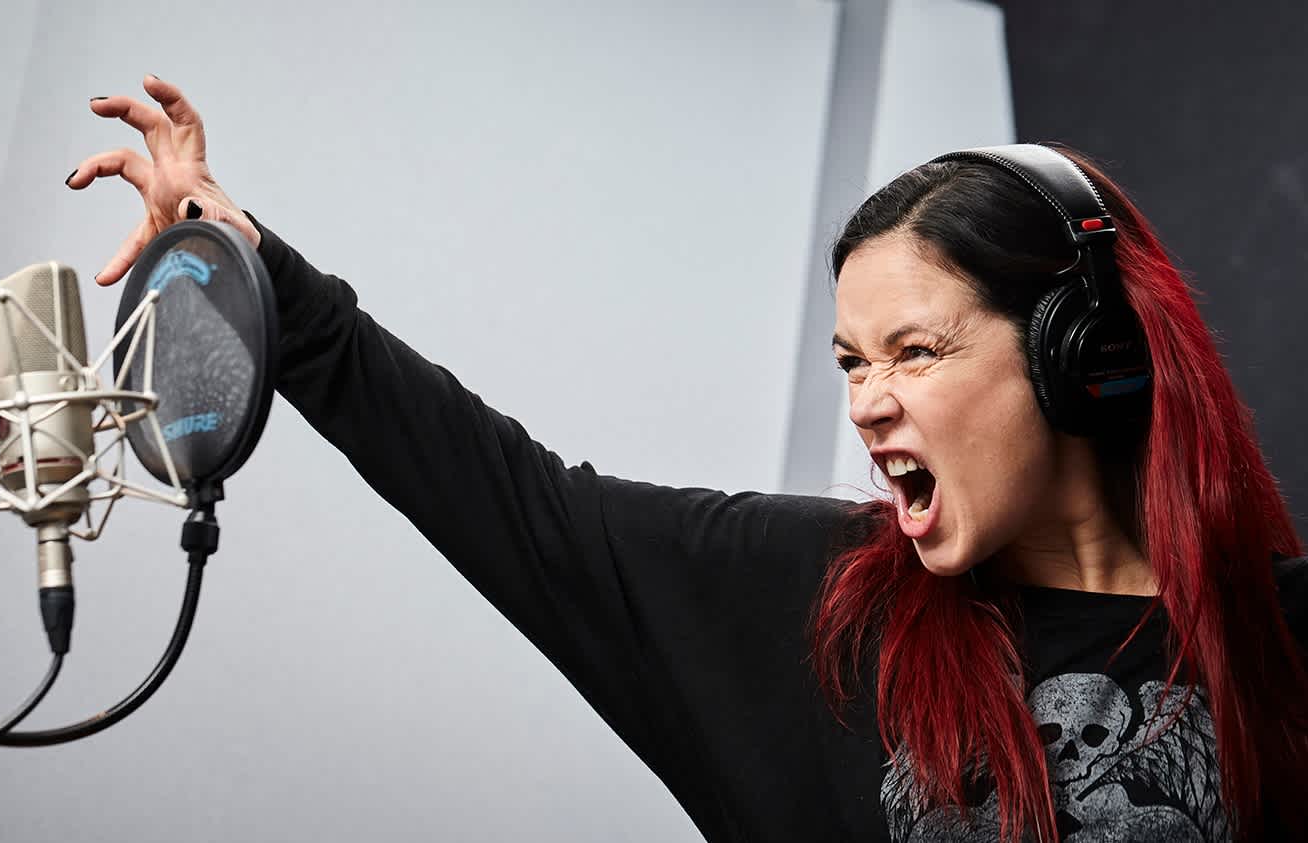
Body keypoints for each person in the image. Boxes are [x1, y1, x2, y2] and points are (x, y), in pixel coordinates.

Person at [67, 76, 1308, 842]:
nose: (869, 404)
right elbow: (518, 504)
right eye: (848, 363)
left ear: (1080, 354)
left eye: (915, 352)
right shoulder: (811, 607)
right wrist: (262, 276)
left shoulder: (1282, 652)